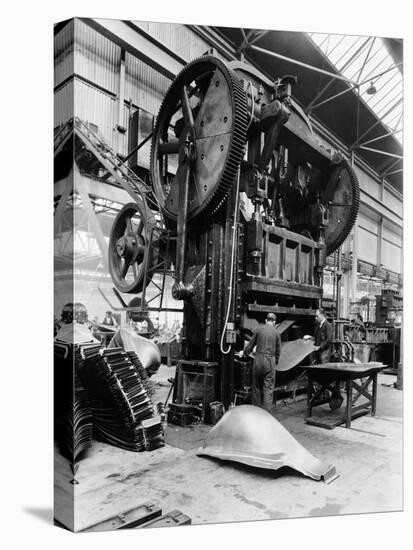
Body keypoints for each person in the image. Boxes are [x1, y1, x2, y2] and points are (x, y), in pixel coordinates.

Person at [240, 313, 281, 411]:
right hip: (269, 361)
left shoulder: (259, 330)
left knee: (256, 388)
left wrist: (244, 353)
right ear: (274, 322)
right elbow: (278, 351)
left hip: (258, 360)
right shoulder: (276, 333)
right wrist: (275, 362)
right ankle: (266, 414)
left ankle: (256, 412)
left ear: (266, 320)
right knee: (268, 389)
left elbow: (250, 345)